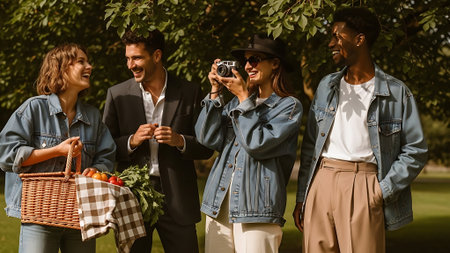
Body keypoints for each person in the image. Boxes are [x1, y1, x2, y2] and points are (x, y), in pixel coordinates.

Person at [293, 7, 428, 253]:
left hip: (364, 185)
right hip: (321, 181)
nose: (331, 42)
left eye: (337, 36)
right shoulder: (326, 85)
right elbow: (311, 146)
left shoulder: (396, 92)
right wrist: (303, 194)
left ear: (359, 39)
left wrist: (380, 191)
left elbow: (416, 150)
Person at [102, 29, 213, 253]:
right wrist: (131, 141)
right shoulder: (117, 94)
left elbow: (206, 146)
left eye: (137, 58)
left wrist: (179, 140)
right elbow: (104, 148)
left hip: (178, 198)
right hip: (133, 197)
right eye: (127, 58)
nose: (130, 65)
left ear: (157, 55)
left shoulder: (190, 91)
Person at [0, 44, 116, 253]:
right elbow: (7, 156)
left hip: (81, 216)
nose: (89, 66)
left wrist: (96, 170)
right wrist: (57, 151)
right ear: (61, 69)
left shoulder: (93, 116)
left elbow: (106, 156)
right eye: (81, 61)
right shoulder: (33, 109)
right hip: (38, 216)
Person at [195, 34, 303, 253]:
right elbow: (207, 138)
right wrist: (215, 92)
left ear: (275, 63)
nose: (247, 66)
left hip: (257, 205)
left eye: (254, 59)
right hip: (220, 201)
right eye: (245, 61)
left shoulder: (289, 107)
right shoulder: (237, 102)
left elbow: (258, 144)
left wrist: (244, 99)